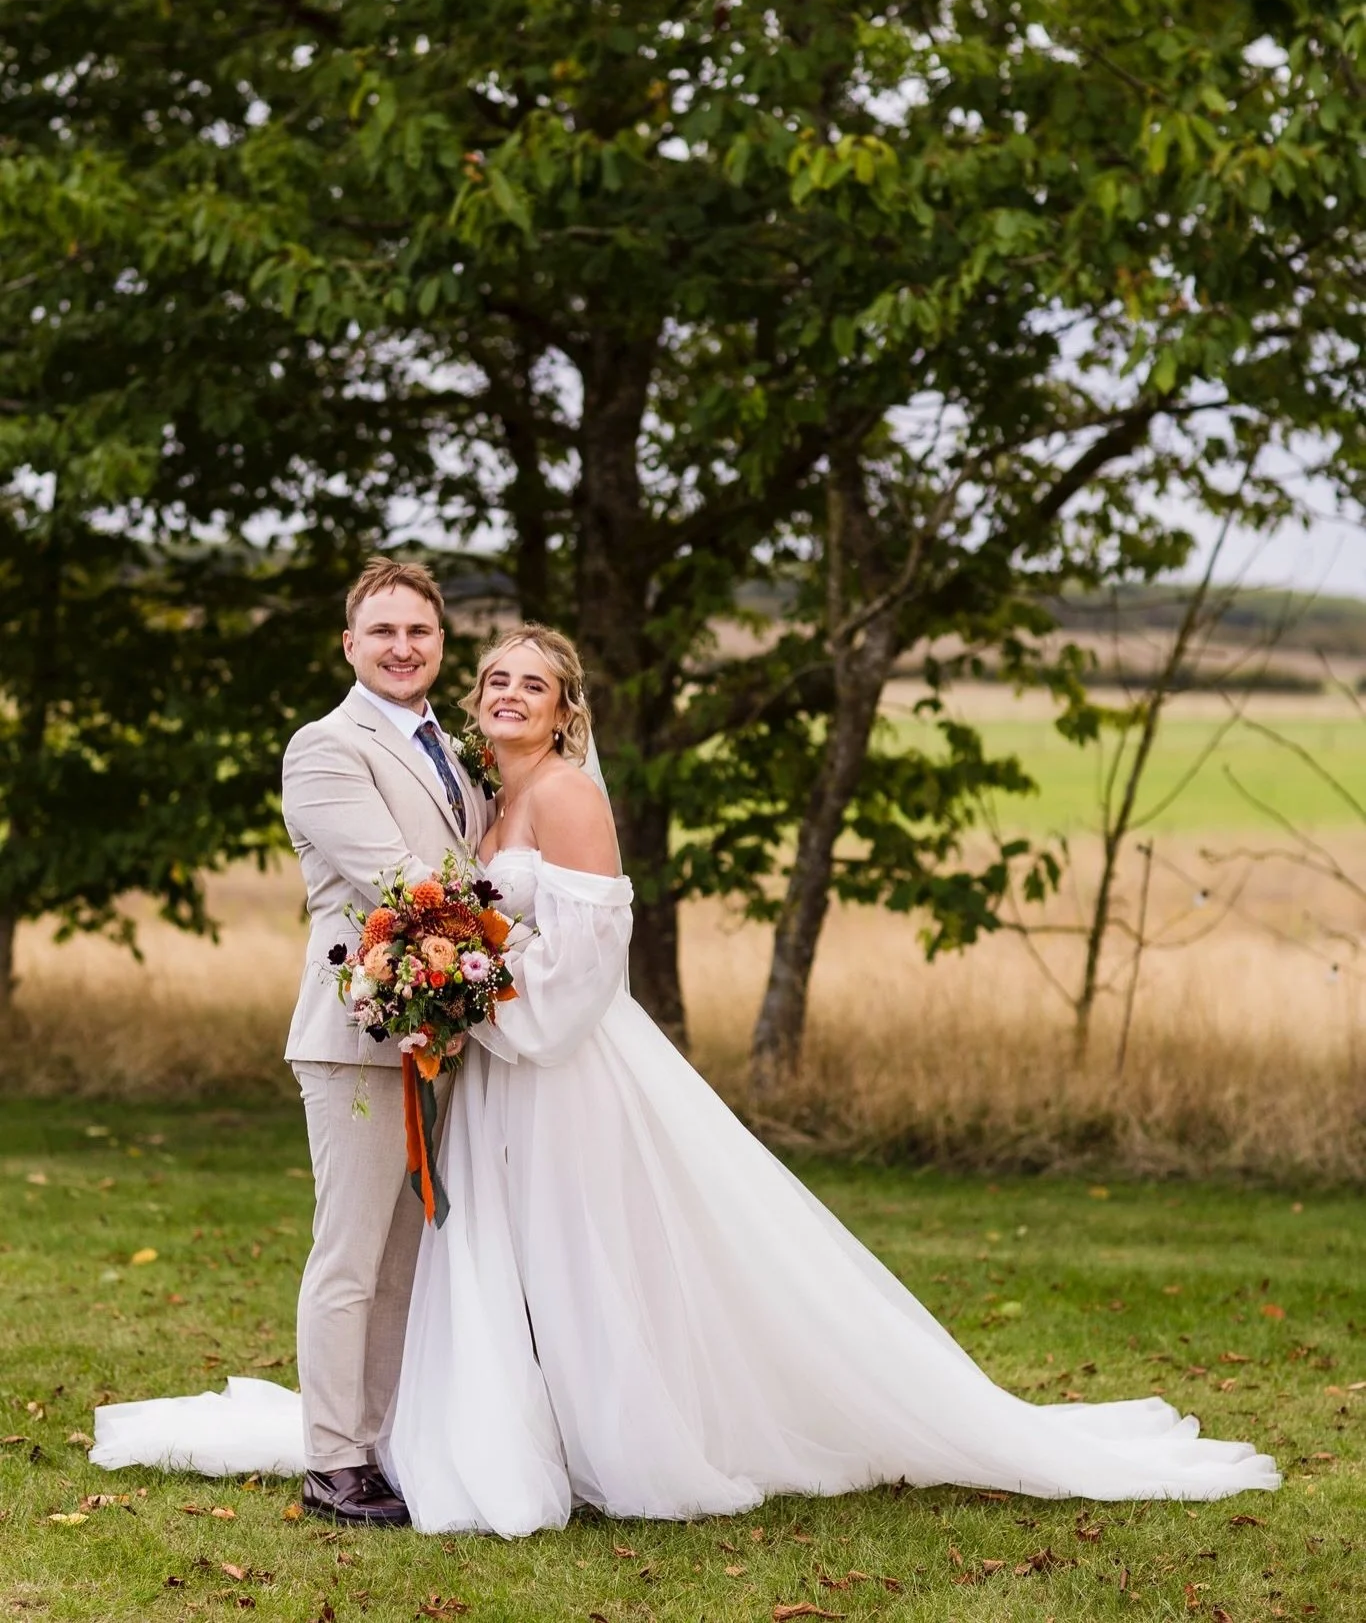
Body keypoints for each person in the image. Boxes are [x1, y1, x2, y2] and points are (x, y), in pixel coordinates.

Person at [92, 621, 1279, 1527]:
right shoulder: (485, 791)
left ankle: (629, 1440)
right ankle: (498, 1433)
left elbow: (592, 953)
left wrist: (483, 1003)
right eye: (495, 680)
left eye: (530, 684)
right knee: (496, 1259)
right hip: (496, 1068)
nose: (507, 694)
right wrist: (457, 996)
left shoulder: (562, 794)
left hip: (560, 1063)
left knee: (587, 1258)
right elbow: (456, 906)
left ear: (566, 712)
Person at [272, 559, 484, 1525]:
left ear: (442, 642)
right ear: (349, 643)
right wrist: (531, 918)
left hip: (437, 1034)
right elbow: (403, 880)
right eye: (384, 631)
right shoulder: (326, 746)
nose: (405, 647)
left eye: (421, 632)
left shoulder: (454, 747)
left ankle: (381, 1442)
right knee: (352, 1255)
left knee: (407, 1260)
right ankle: (332, 1462)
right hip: (357, 1032)